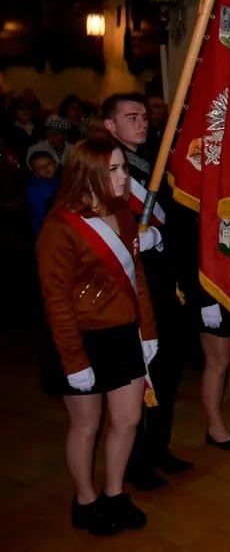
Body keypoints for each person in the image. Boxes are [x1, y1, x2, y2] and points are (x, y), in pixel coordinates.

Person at [36, 137, 157, 536]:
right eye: (114, 170)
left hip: (123, 333)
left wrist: (147, 330)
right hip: (80, 338)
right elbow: (56, 301)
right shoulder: (59, 227)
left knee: (128, 418)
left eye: (124, 168)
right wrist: (74, 361)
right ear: (86, 175)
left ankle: (114, 493)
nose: (124, 178)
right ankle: (85, 500)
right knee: (86, 425)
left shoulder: (122, 213)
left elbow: (137, 277)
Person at [103, 93, 193, 488]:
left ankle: (159, 448)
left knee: (167, 369)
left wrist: (160, 235)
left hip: (164, 280)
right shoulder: (103, 164)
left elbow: (178, 215)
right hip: (130, 285)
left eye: (143, 116)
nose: (141, 123)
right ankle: (135, 462)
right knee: (140, 375)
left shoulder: (156, 159)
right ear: (110, 125)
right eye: (131, 117)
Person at [26, 149, 60, 236]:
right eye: (40, 169)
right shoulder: (34, 190)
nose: (46, 169)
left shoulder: (60, 178)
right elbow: (41, 214)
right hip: (45, 228)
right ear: (36, 173)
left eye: (48, 165)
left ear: (55, 164)